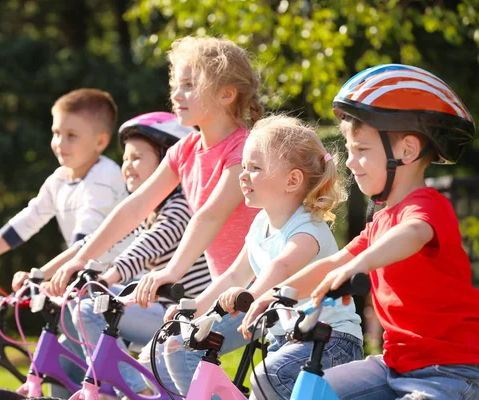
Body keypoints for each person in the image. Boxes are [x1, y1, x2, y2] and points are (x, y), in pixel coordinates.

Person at [242, 64, 479, 400]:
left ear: (407, 151)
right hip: (393, 365)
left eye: (362, 151)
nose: (351, 163)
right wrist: (279, 292)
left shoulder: (427, 206)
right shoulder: (379, 222)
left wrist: (358, 266)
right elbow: (334, 262)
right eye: (350, 151)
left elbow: (411, 234)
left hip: (449, 371)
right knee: (309, 392)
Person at [48, 35, 263, 393]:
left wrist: (170, 271)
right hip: (218, 293)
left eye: (190, 86)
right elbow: (133, 207)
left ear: (226, 94)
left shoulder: (245, 148)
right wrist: (80, 259)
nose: (177, 95)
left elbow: (210, 215)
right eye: (175, 85)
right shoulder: (185, 150)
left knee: (174, 351)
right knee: (149, 369)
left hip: (254, 291)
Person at [163, 115, 363, 398]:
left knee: (269, 376)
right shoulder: (260, 224)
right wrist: (193, 308)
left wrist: (250, 295)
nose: (243, 175)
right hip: (287, 339)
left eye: (255, 168)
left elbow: (281, 268)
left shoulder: (308, 230)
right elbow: (234, 275)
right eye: (243, 166)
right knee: (184, 351)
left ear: (293, 180)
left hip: (331, 340)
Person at [0, 88, 127, 399]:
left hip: (115, 284)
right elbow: (27, 220)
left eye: (71, 135)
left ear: (100, 141)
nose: (60, 142)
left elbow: (84, 242)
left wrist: (41, 274)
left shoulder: (103, 177)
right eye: (56, 132)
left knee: (95, 377)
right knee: (61, 366)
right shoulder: (60, 179)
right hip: (81, 286)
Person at [69, 112, 212, 397]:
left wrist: (108, 277)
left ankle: (135, 391)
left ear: (166, 161)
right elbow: (107, 241)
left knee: (90, 309)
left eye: (136, 158)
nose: (127, 167)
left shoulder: (182, 205)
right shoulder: (154, 211)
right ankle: (118, 388)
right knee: (85, 306)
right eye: (124, 159)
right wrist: (67, 269)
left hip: (191, 316)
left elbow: (150, 244)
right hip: (164, 311)